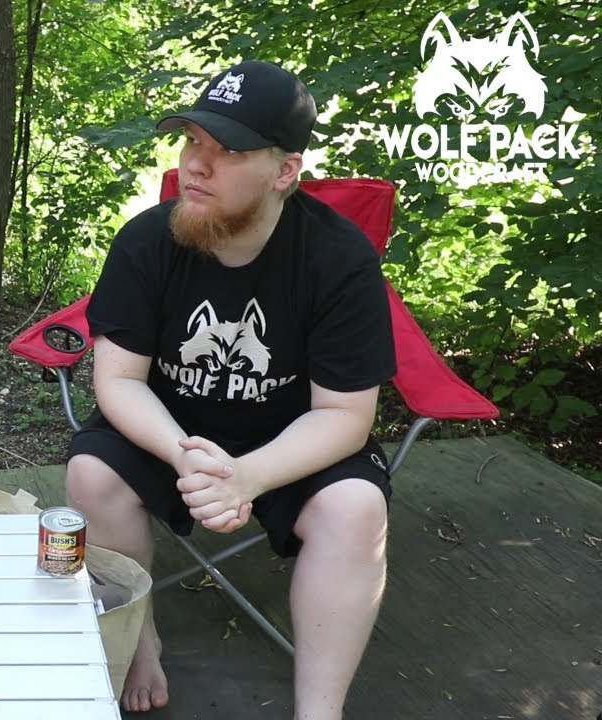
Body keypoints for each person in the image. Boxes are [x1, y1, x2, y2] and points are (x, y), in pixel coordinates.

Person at [65, 60, 395, 718]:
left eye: (229, 151)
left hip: (291, 441)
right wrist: (183, 453)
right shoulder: (147, 242)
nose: (196, 164)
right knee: (91, 475)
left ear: (285, 171)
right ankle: (140, 639)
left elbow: (344, 415)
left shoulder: (338, 258)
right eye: (193, 141)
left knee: (357, 509)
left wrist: (249, 475)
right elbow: (119, 380)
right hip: (170, 431)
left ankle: (320, 710)